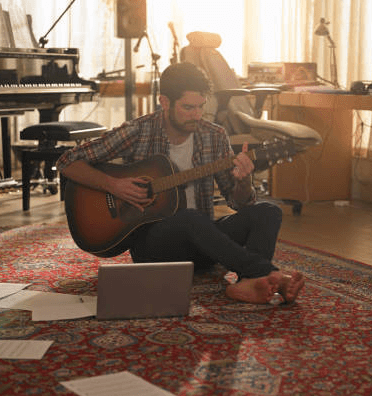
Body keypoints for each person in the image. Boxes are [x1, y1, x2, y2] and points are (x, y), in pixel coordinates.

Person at [56, 62, 304, 304]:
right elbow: (67, 161)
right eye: (188, 107)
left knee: (268, 211)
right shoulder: (139, 130)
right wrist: (113, 185)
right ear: (165, 102)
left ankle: (250, 282)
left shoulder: (214, 135)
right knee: (189, 217)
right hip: (155, 250)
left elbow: (238, 202)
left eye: (200, 107)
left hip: (205, 244)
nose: (196, 115)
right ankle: (270, 274)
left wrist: (244, 182)